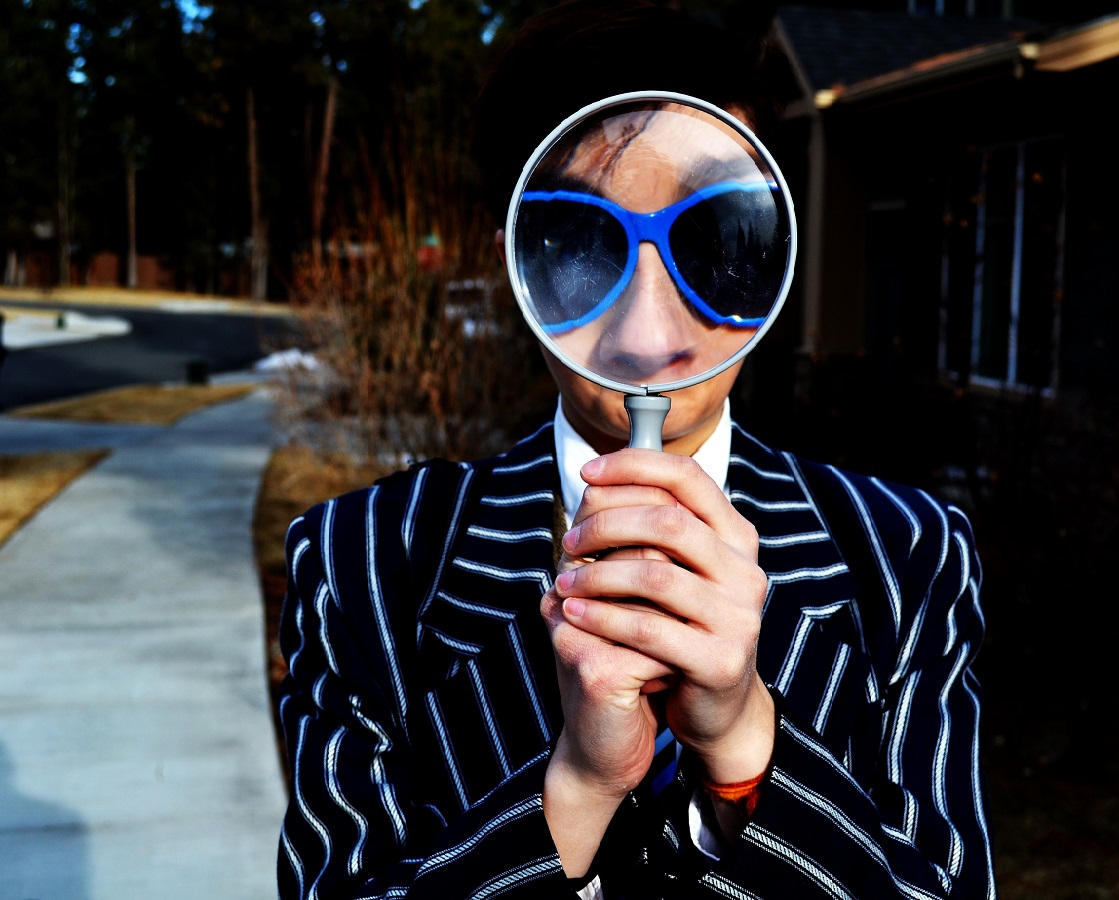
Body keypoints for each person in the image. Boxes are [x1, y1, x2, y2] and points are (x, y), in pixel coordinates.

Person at [276, 2, 995, 898]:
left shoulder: (909, 558)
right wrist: (574, 788)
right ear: (516, 266)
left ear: (775, 248)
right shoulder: (362, 564)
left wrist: (743, 748)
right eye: (581, 240)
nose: (648, 335)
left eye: (712, 234)